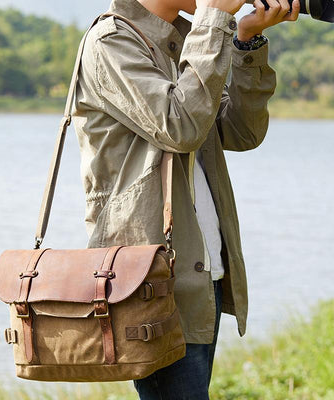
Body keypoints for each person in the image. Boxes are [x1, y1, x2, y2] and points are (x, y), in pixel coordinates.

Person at [72, 0, 299, 398]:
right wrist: (213, 23)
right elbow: (180, 126)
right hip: (149, 281)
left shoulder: (181, 38)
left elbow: (241, 131)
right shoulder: (111, 41)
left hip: (198, 269)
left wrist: (246, 41)